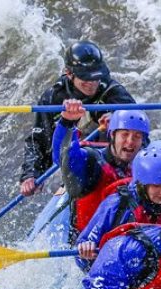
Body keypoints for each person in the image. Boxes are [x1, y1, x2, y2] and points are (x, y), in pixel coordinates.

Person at [53, 94, 161, 239]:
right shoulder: (92, 161)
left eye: (136, 136)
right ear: (112, 135)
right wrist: (67, 122)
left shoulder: (147, 163)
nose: (130, 142)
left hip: (137, 242)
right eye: (125, 134)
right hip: (91, 244)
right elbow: (63, 158)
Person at [19, 40, 136, 196]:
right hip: (76, 163)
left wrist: (118, 121)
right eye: (86, 79)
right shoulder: (53, 98)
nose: (92, 83)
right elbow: (38, 141)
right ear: (69, 73)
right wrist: (31, 174)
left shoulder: (113, 91)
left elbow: (140, 128)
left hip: (112, 158)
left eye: (96, 77)